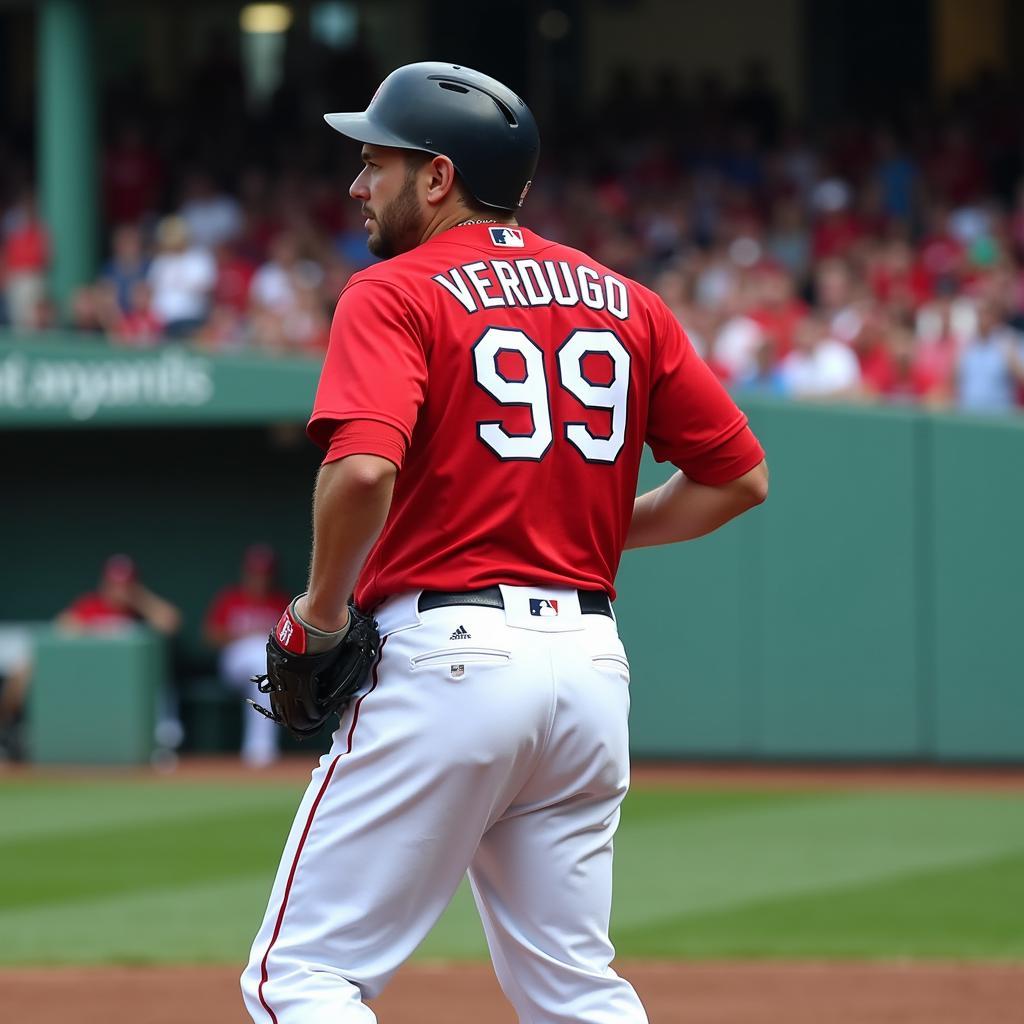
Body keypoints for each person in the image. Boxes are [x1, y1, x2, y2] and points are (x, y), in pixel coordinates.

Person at [241, 62, 768, 1024]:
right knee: (575, 990)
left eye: (376, 163)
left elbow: (362, 471)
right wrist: (589, 540)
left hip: (451, 661)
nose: (358, 186)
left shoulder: (394, 290)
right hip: (591, 670)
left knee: (301, 977)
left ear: (437, 177)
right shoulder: (626, 299)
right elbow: (739, 478)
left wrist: (318, 614)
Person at [204, 545, 291, 766]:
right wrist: (243, 634)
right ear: (245, 573)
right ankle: (260, 748)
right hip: (234, 661)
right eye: (255, 574)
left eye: (264, 574)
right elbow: (210, 637)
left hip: (267, 665)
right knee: (257, 655)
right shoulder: (230, 598)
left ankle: (259, 749)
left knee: (264, 669)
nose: (259, 579)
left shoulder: (280, 601)